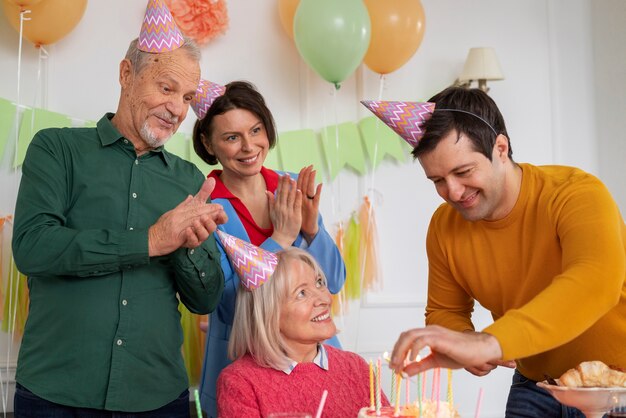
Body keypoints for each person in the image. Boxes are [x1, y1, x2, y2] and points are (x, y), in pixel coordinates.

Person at [369, 87, 626, 417]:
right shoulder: (444, 226)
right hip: (536, 384)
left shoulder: (576, 194)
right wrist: (464, 343)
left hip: (617, 387)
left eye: (463, 172)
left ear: (500, 148)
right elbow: (445, 310)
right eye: (438, 180)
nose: (453, 192)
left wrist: (490, 342)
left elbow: (595, 282)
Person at [11, 32, 228, 416]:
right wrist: (150, 240)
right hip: (55, 393)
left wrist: (188, 245)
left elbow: (204, 300)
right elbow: (32, 246)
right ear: (127, 73)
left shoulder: (191, 181)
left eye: (188, 98)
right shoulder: (56, 149)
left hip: (157, 397)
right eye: (167, 88)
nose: (177, 109)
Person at [191, 80, 346, 417]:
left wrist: (311, 228)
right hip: (243, 367)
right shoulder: (204, 204)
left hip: (313, 362)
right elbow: (228, 304)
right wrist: (281, 239)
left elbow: (332, 281)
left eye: (256, 130)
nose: (249, 147)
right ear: (208, 142)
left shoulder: (289, 186)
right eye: (232, 137)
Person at [216, 244, 388, 417]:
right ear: (269, 315)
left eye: (319, 283)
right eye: (302, 293)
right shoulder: (240, 383)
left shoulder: (356, 367)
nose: (324, 298)